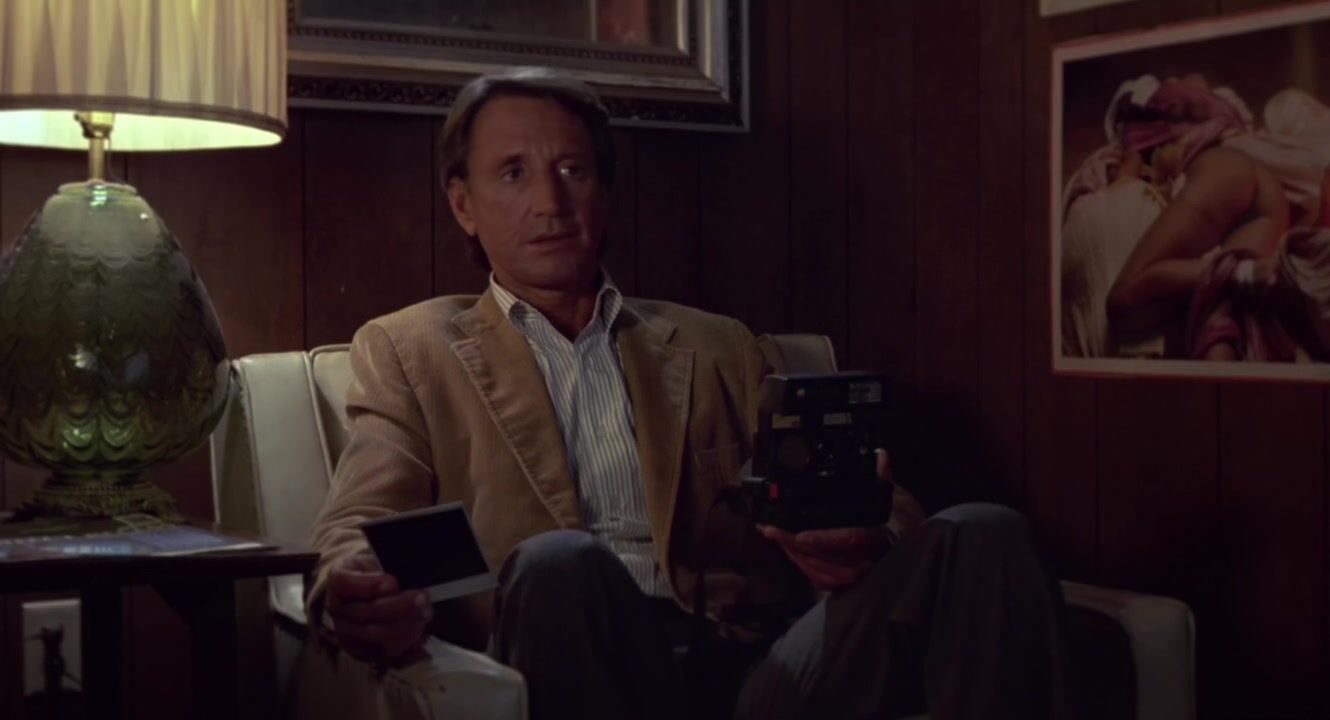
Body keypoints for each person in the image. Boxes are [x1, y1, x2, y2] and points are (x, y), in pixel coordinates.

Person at [306, 67, 1067, 719]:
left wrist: (872, 532)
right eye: (513, 173)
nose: (550, 202)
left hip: (753, 666)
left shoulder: (719, 344)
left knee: (985, 534)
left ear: (605, 191)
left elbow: (881, 499)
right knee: (560, 562)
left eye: (573, 170)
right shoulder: (412, 350)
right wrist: (354, 586)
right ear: (463, 205)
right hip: (582, 655)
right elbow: (354, 528)